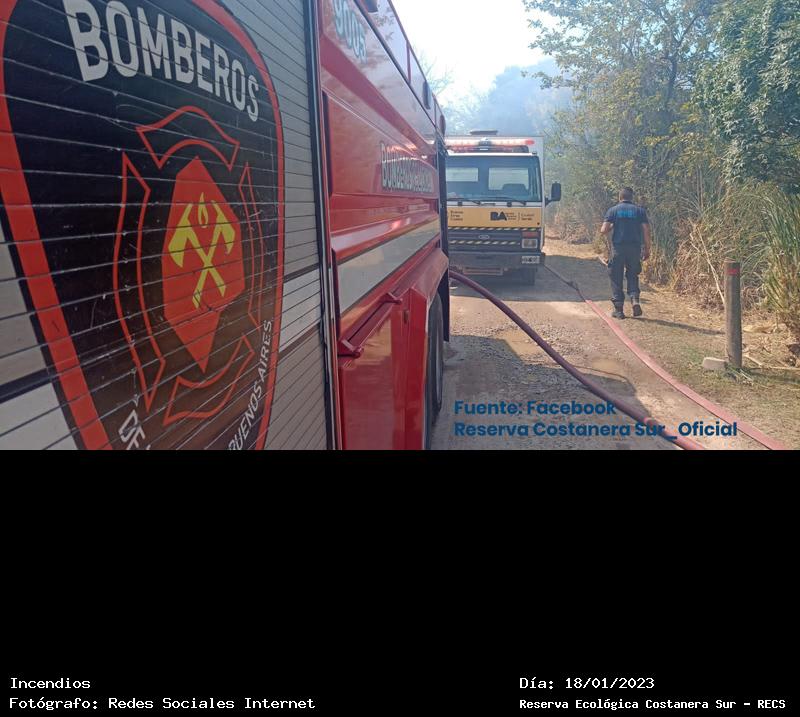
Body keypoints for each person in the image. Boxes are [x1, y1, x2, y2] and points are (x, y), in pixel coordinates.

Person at [600, 187, 652, 319]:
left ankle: (619, 310)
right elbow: (646, 230)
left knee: (616, 276)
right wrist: (647, 248)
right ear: (631, 197)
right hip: (634, 249)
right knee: (633, 274)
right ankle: (634, 299)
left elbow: (603, 230)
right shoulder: (639, 211)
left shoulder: (613, 210)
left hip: (618, 249)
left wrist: (613, 226)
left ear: (620, 197)